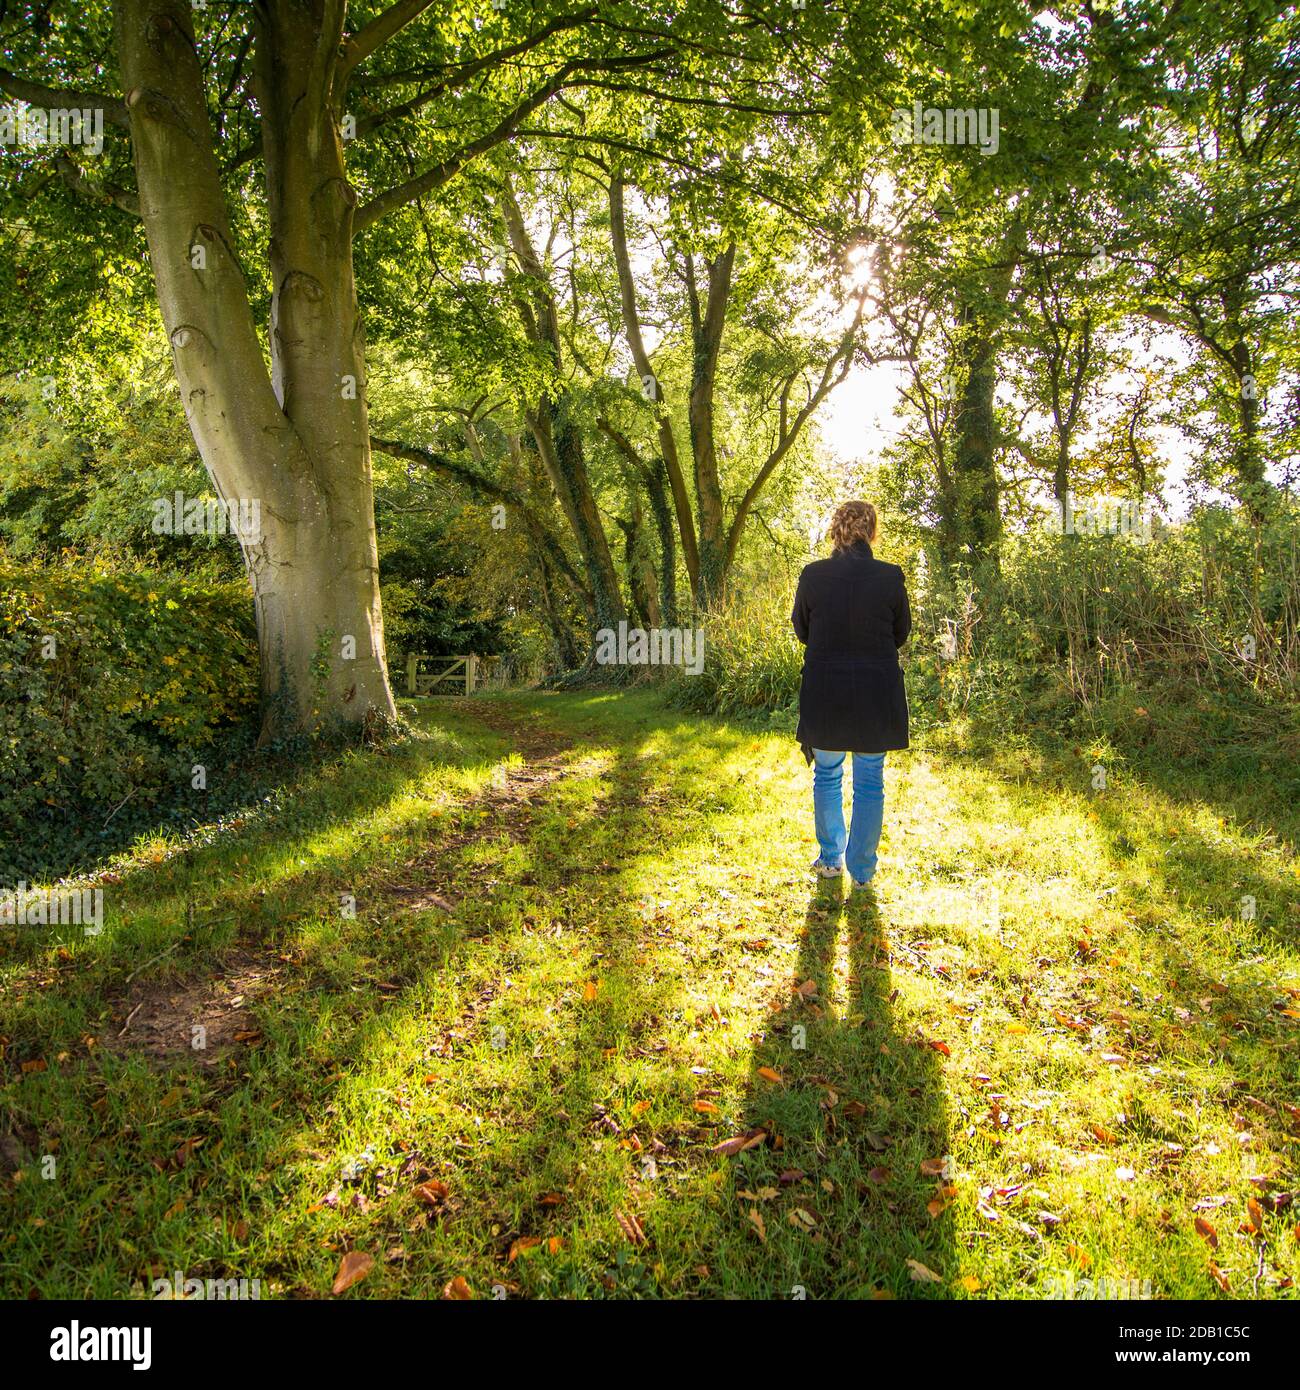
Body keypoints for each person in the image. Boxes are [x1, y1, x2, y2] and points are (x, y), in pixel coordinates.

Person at [790, 500, 911, 889]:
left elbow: (802, 628)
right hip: (875, 693)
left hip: (826, 691)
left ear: (836, 529)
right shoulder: (890, 577)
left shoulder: (813, 575)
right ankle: (862, 872)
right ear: (872, 531)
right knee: (870, 780)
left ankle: (830, 861)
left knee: (826, 776)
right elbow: (901, 634)